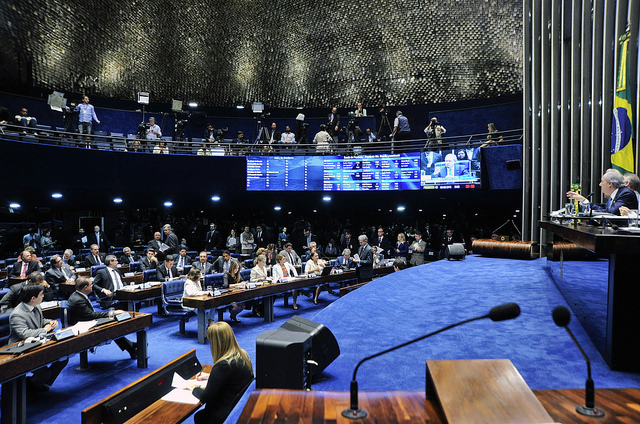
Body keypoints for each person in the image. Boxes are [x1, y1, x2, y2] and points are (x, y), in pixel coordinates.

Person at [191, 321, 254, 424]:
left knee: (200, 417)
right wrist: (210, 376)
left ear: (215, 343)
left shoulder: (223, 366)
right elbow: (230, 377)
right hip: (240, 408)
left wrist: (194, 388)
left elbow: (205, 397)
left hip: (224, 414)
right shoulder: (242, 354)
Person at [9, 284, 68, 391]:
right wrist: (45, 329)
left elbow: (41, 321)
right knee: (44, 372)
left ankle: (41, 385)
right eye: (41, 294)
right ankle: (30, 390)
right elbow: (24, 333)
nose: (44, 296)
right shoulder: (17, 314)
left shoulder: (35, 306)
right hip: (20, 349)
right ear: (33, 298)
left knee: (63, 358)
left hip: (38, 341)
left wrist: (50, 322)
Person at [68, 277, 137, 358]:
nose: (92, 286)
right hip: (83, 326)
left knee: (111, 324)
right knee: (111, 325)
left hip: (85, 321)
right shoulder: (78, 300)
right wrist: (112, 313)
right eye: (91, 284)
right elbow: (91, 315)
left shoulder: (78, 295)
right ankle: (131, 347)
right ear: (85, 288)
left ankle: (131, 347)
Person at [566, 168, 638, 215]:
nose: (600, 184)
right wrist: (584, 201)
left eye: (602, 181)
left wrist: (591, 209)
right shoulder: (615, 195)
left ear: (610, 184)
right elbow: (605, 209)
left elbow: (611, 213)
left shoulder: (625, 193)